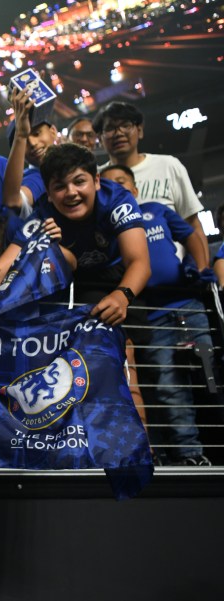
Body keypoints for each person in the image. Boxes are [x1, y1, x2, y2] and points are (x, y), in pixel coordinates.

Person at [0, 143, 149, 336]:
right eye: (60, 187)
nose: (71, 193)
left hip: (120, 276)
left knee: (130, 334)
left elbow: (139, 262)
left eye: (79, 182)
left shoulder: (117, 199)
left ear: (96, 181)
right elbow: (0, 270)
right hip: (76, 288)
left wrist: (122, 295)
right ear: (48, 193)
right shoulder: (42, 216)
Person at [101, 164, 212, 466]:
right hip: (151, 314)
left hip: (187, 305)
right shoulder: (108, 226)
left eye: (123, 183)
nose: (119, 190)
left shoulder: (156, 210)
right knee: (167, 386)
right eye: (110, 186)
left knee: (211, 376)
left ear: (135, 189)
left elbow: (191, 235)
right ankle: (190, 455)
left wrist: (200, 269)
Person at [95, 100, 209, 270]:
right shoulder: (96, 179)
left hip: (174, 280)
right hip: (122, 279)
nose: (118, 133)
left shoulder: (168, 165)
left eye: (126, 125)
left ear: (139, 130)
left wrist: (203, 272)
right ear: (100, 138)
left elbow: (193, 224)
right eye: (110, 128)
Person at [2, 88, 55, 214]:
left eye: (37, 133)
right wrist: (20, 135)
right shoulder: (36, 176)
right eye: (25, 141)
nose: (33, 143)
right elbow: (13, 201)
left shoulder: (76, 157)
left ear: (53, 131)